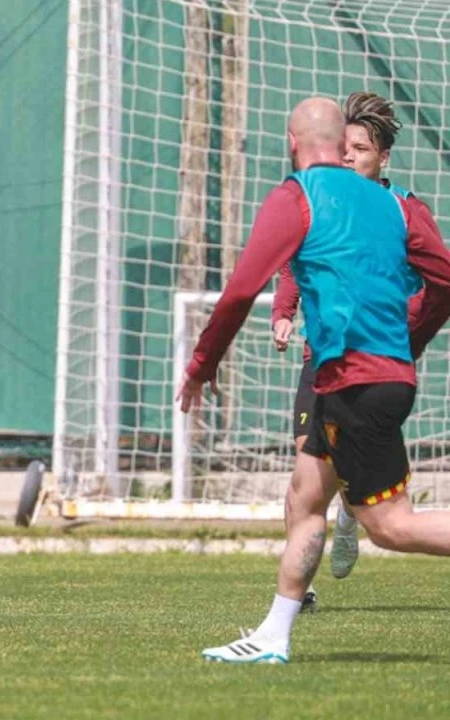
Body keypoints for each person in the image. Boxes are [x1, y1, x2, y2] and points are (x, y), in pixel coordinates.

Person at [180, 97, 450, 664]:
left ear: (292, 141)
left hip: (356, 382)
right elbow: (443, 280)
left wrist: (203, 363)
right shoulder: (394, 205)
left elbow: (239, 291)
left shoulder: (297, 195)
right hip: (360, 377)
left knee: (391, 527)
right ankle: (273, 635)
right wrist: (411, 335)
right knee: (305, 497)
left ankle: (276, 632)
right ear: (340, 143)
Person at [269, 91, 416, 602]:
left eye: (361, 149)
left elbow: (431, 278)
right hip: (323, 361)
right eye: (344, 147)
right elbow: (296, 260)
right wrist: (283, 312)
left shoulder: (400, 210)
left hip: (373, 366)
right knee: (302, 480)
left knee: (382, 516)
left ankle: (351, 515)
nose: (349, 157)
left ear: (384, 158)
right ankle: (297, 594)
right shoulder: (323, 200)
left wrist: (407, 326)